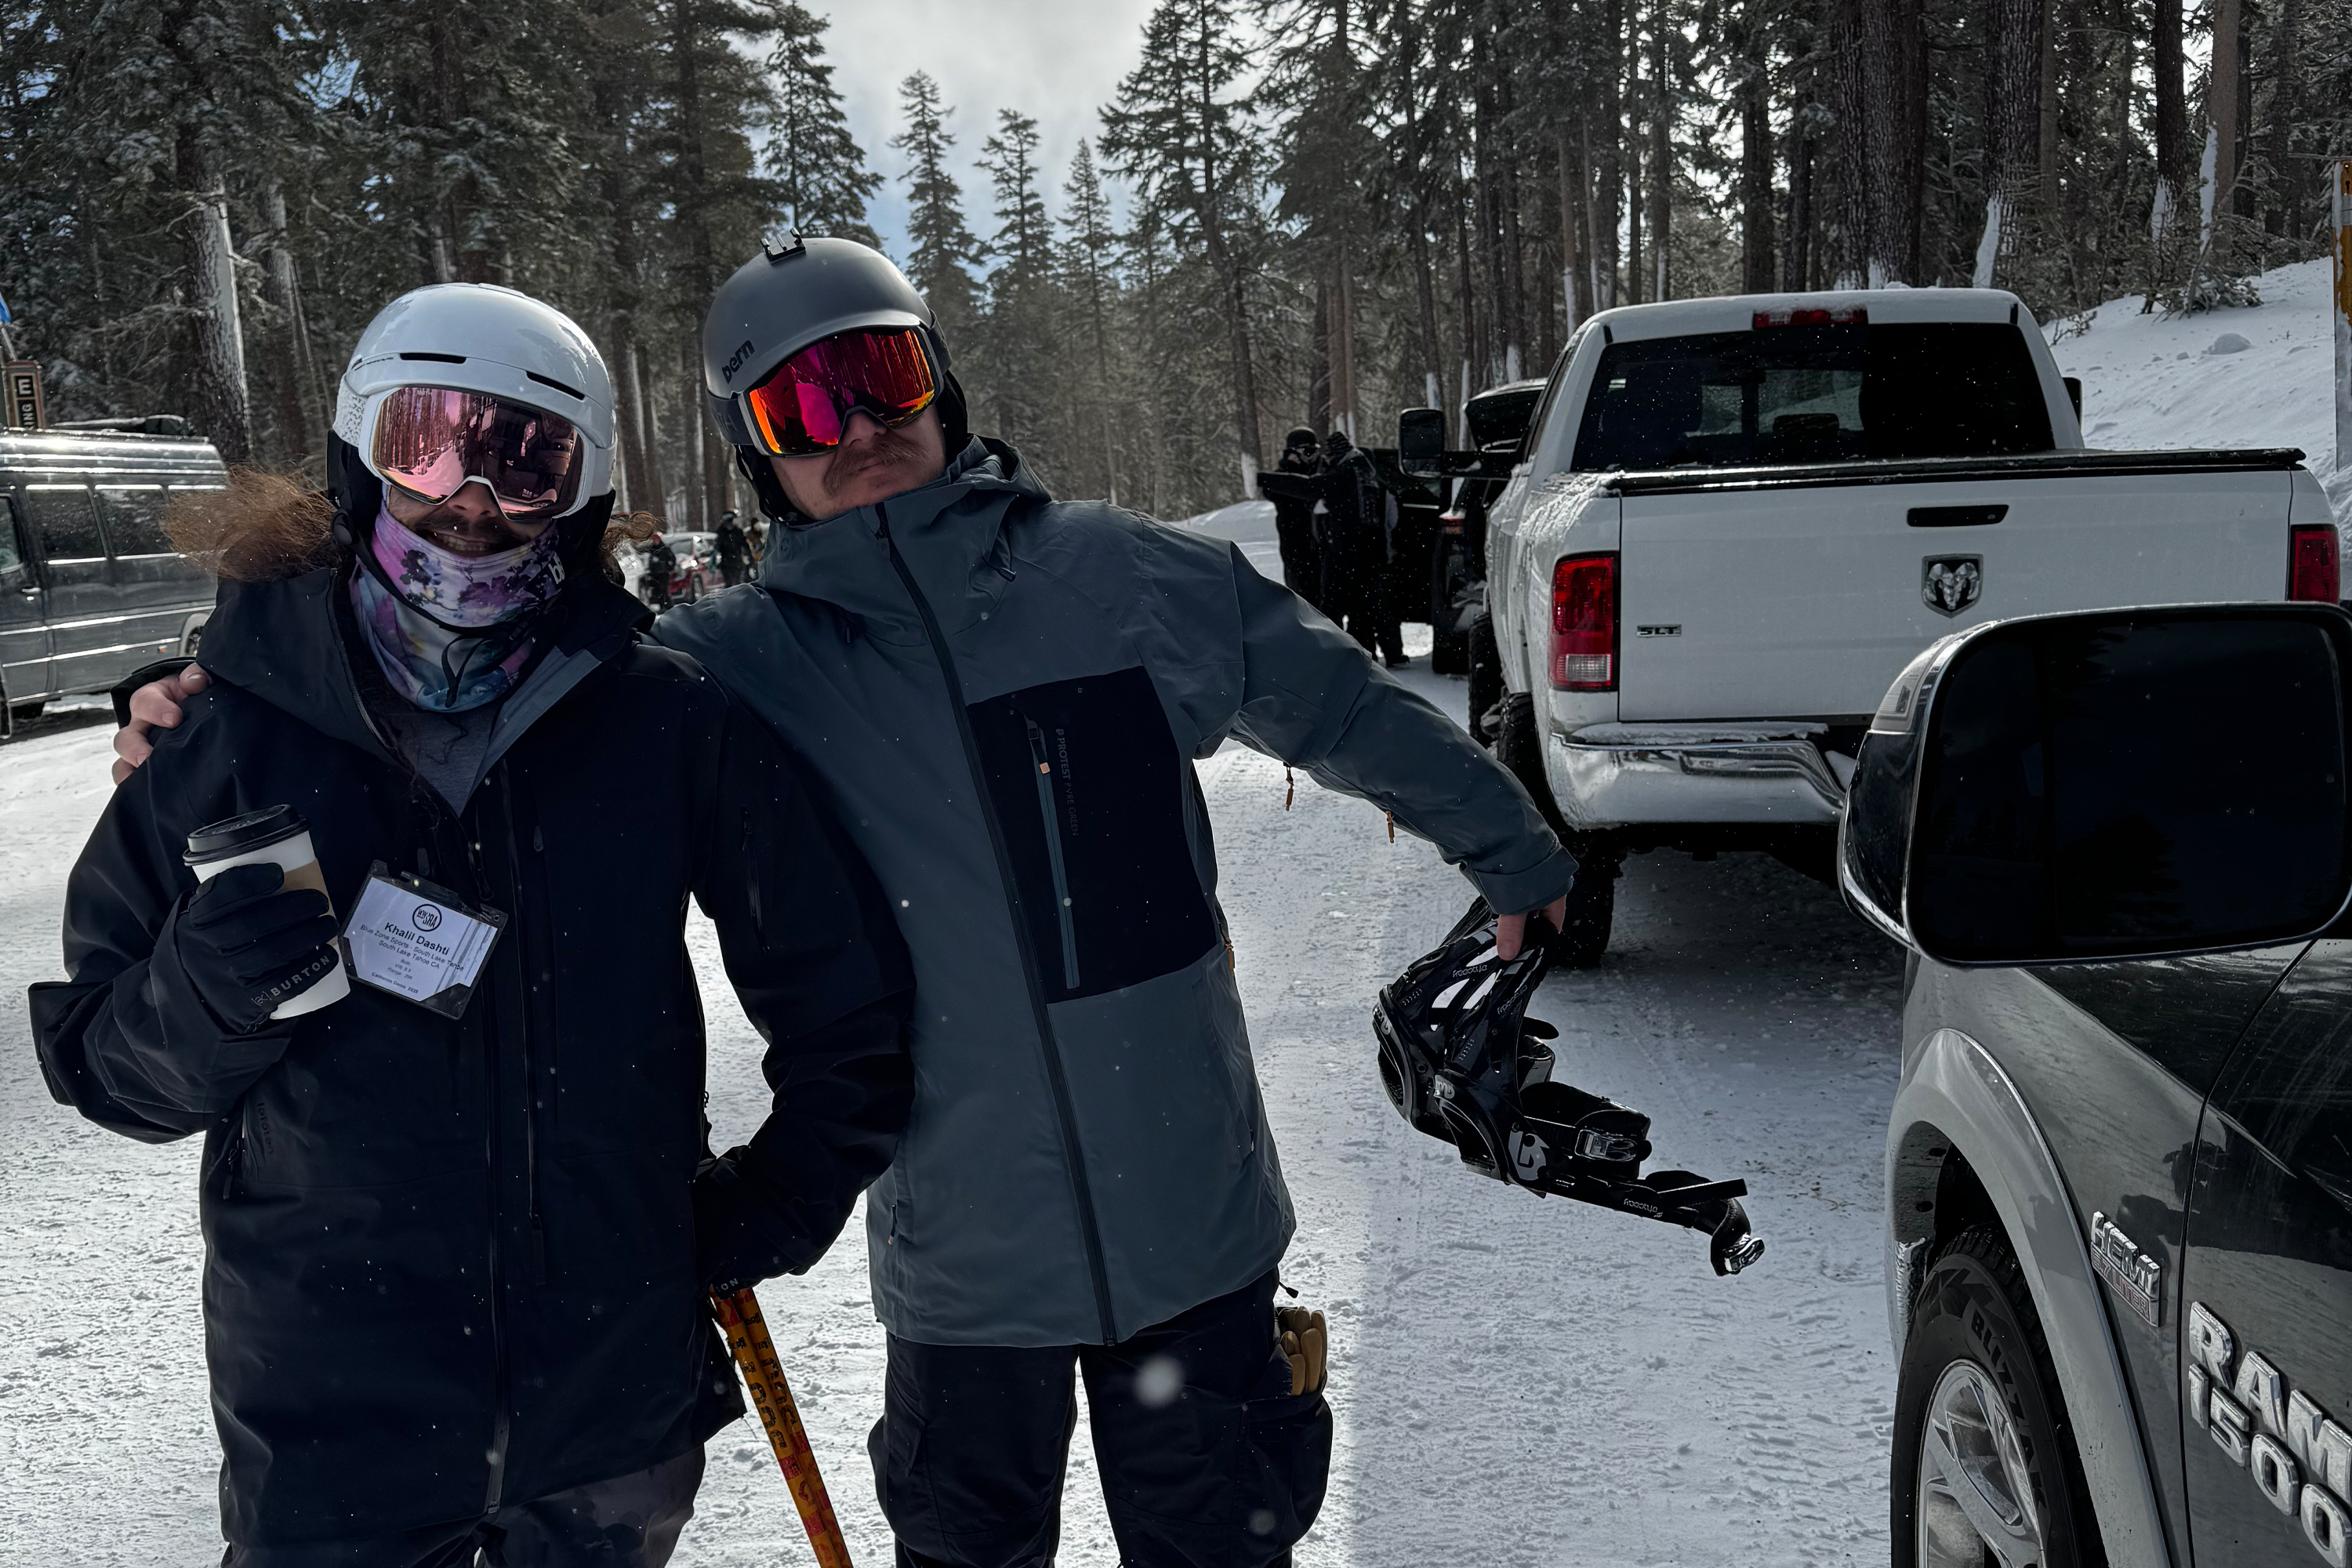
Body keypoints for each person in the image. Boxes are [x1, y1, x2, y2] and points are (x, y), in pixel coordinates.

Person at [118, 241, 1574, 1568]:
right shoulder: (734, 664)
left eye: (879, 378)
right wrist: (221, 689)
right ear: (761, 456)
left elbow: (1342, 708)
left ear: (939, 385)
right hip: (962, 1268)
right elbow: (508, 693)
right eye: (799, 409)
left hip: (1195, 1225)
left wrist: (1515, 858)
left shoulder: (1117, 575)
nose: (856, 428)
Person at [50, 283, 914, 1567]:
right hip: (329, 1427)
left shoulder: (662, 722)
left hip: (608, 1428)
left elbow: (848, 1004)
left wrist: (767, 1208)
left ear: (578, 488)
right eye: (427, 441)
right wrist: (202, 997)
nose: (469, 496)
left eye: (524, 457)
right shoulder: (231, 731)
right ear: (362, 458)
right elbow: (104, 1063)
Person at [1319, 428, 1406, 668]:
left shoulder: (1343, 481)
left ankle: (1354, 655)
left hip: (1351, 555)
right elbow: (1392, 522)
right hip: (1377, 557)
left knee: (1349, 608)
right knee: (1376, 610)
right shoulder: (1378, 486)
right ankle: (1389, 654)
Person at [1269, 426, 1326, 612]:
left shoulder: (1320, 472)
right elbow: (1272, 491)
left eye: (1315, 451)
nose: (1313, 457)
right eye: (1308, 452)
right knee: (1304, 603)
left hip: (1323, 550)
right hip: (1297, 549)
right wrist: (1291, 468)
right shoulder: (1282, 477)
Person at [641, 528, 679, 609]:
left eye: (656, 539)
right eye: (654, 539)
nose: (655, 541)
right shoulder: (651, 549)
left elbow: (673, 559)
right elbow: (646, 558)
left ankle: (668, 606)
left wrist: (669, 568)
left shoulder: (665, 549)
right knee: (657, 591)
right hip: (654, 574)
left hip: (663, 574)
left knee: (664, 590)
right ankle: (661, 606)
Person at [715, 509, 750, 586]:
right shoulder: (721, 533)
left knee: (737, 581)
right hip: (727, 562)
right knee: (729, 583)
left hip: (736, 561)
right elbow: (718, 547)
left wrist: (747, 555)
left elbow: (744, 544)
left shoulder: (737, 531)